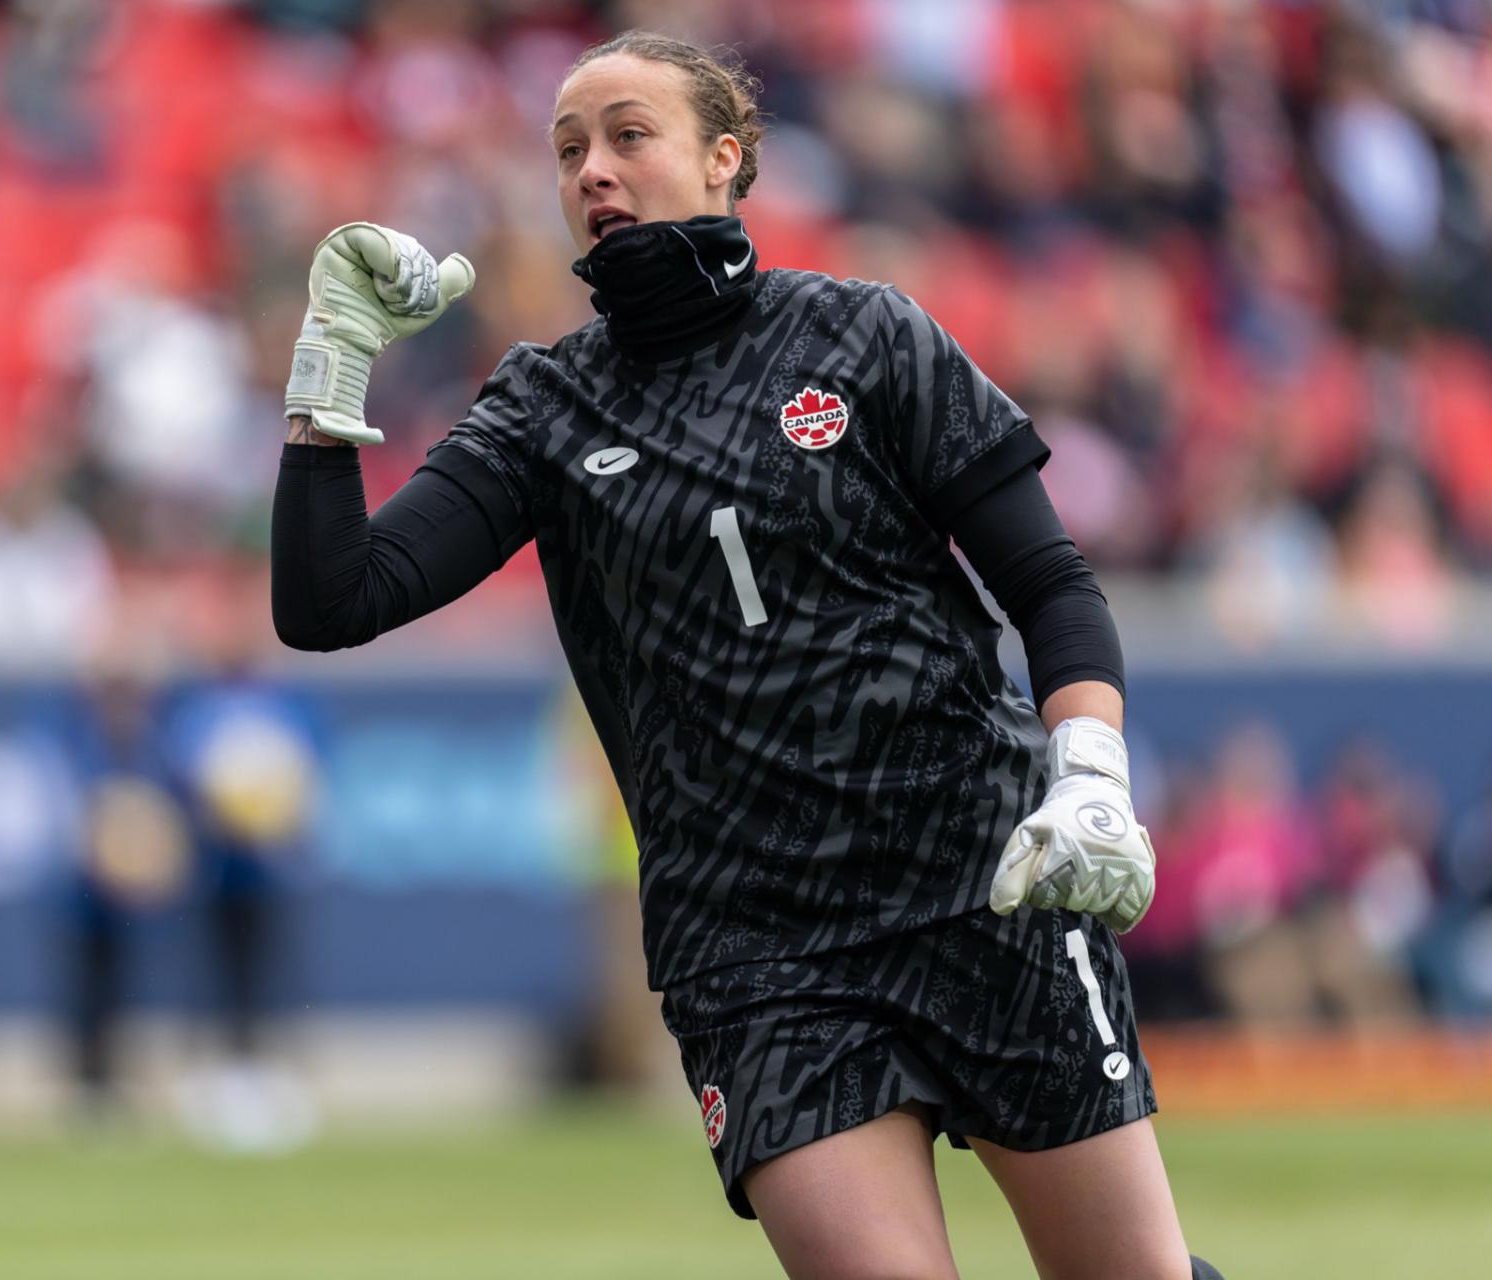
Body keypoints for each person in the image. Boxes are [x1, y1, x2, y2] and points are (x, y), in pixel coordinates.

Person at [271, 30, 1218, 1280]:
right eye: (567, 151)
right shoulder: (543, 407)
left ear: (726, 159)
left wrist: (1088, 768)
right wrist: (331, 369)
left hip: (976, 880)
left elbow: (1051, 581)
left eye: (627, 135)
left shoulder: (865, 335)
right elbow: (333, 598)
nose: (593, 170)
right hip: (756, 948)